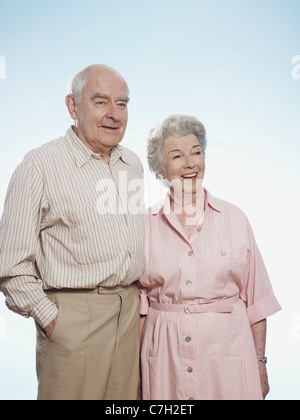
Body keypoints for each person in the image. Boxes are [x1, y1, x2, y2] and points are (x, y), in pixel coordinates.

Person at [0, 64, 145, 400]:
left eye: (122, 104)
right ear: (73, 106)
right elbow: (10, 264)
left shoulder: (132, 164)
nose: (114, 114)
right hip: (73, 319)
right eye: (100, 102)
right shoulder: (39, 165)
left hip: (128, 315)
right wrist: (51, 320)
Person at [139, 114, 281, 400]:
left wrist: (260, 363)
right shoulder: (143, 225)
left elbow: (256, 302)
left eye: (197, 152)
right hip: (164, 359)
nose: (190, 163)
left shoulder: (235, 219)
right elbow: (139, 309)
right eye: (177, 156)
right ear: (159, 168)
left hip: (227, 358)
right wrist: (137, 376)